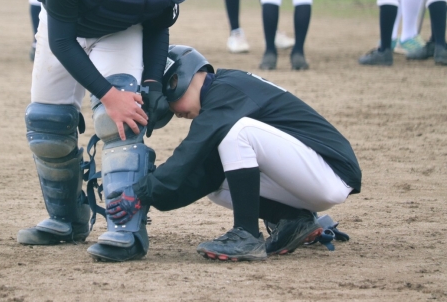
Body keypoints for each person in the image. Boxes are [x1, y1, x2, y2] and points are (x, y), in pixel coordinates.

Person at [18, 0, 194, 264]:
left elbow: (157, 26)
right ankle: (66, 219)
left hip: (120, 31)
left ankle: (125, 230)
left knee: (122, 122)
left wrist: (151, 85)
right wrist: (107, 94)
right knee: (48, 127)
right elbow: (62, 42)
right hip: (66, 31)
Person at [104, 45, 362, 262]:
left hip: (331, 171)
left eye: (169, 103)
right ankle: (292, 219)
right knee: (214, 178)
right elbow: (194, 174)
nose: (174, 112)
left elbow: (188, 152)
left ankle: (246, 235)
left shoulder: (225, 91)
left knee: (238, 133)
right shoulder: (222, 91)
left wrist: (141, 191)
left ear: (176, 81)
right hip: (311, 175)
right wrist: (154, 197)